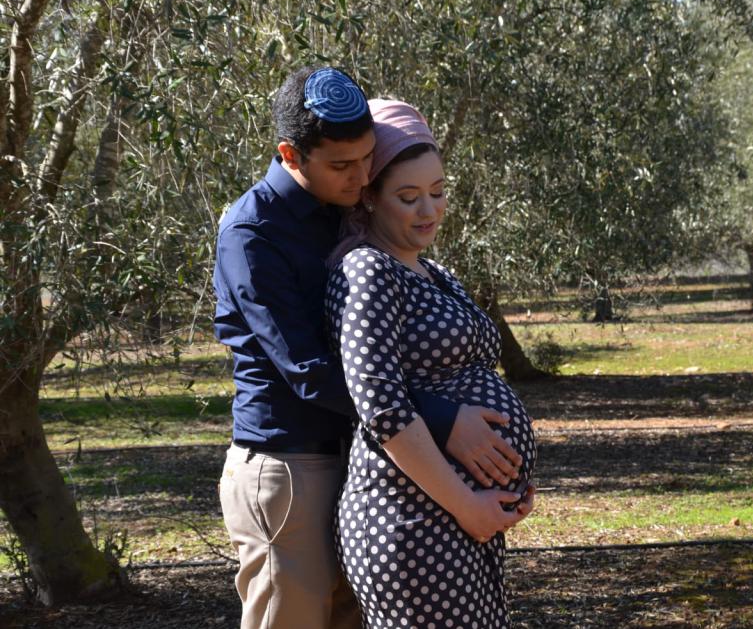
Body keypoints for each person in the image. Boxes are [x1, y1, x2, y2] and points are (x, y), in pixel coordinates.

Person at [214, 68, 529, 629]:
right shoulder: (253, 231)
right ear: (290, 154)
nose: (362, 178)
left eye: (367, 161)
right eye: (343, 165)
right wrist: (439, 420)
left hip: (359, 460)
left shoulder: (344, 212)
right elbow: (308, 371)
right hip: (291, 465)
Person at [326, 99, 538, 629]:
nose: (430, 211)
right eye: (409, 196)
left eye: (439, 193)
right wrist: (469, 505)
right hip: (412, 522)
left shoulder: (434, 273)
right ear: (369, 197)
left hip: (462, 522)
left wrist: (501, 490)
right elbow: (379, 406)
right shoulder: (367, 272)